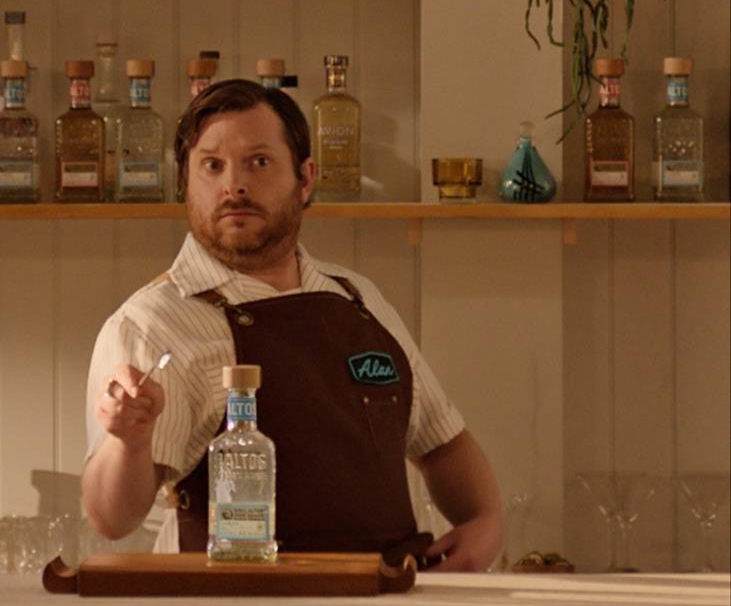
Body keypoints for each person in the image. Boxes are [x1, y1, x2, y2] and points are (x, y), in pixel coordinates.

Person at [81, 79, 502, 571]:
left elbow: (442, 441)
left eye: (258, 162)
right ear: (185, 184)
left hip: (384, 597)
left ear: (305, 179)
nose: (233, 185)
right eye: (211, 166)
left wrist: (485, 521)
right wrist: (127, 442)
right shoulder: (151, 322)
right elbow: (110, 517)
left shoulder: (359, 299)